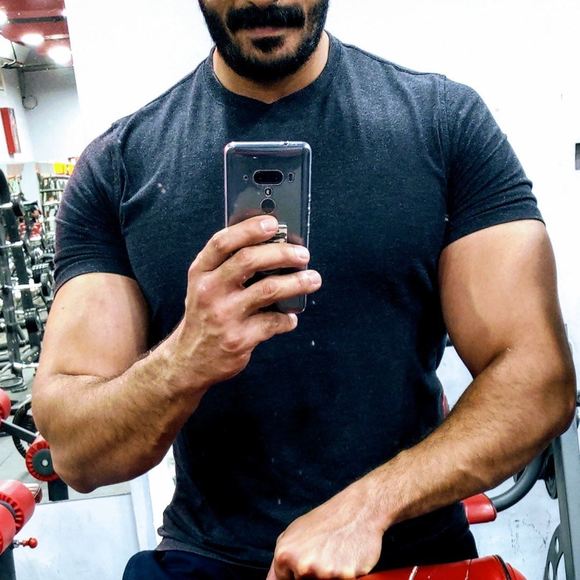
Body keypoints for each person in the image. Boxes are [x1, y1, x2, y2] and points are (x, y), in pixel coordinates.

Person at [33, 1, 576, 579]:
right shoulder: (117, 167)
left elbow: (538, 379)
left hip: (412, 550)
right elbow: (77, 452)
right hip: (209, 558)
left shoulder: (445, 124)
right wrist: (184, 359)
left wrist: (368, 507)